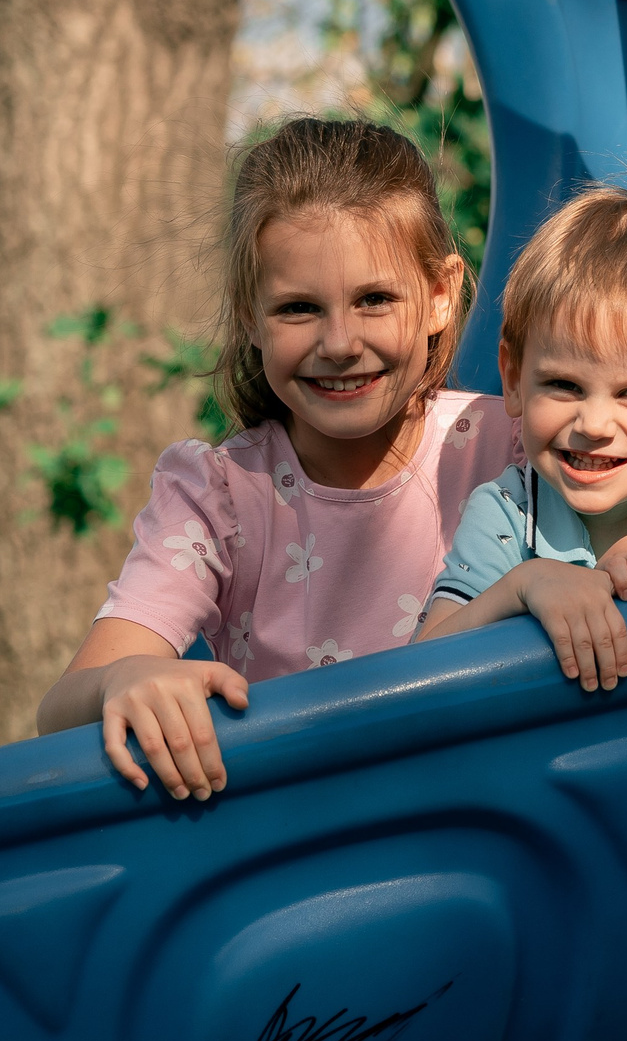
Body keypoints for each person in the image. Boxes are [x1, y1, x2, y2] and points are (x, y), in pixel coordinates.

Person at [36, 118, 515, 798]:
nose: (340, 341)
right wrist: (123, 679)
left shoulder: (508, 446)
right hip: (301, 848)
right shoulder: (220, 497)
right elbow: (57, 713)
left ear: (440, 294)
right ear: (249, 316)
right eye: (298, 308)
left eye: (374, 299)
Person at [415, 183, 627, 690]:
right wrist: (522, 587)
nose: (593, 424)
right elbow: (417, 672)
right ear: (514, 380)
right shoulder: (508, 512)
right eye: (563, 385)